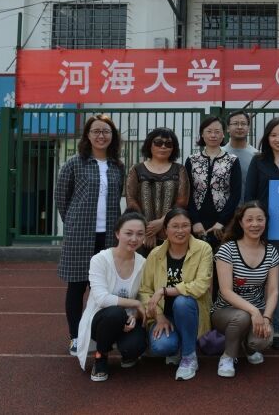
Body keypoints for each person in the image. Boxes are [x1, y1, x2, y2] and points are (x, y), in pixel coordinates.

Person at [56, 114, 125, 356]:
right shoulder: (75, 163)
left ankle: (99, 335)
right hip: (80, 234)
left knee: (104, 288)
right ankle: (76, 336)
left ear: (112, 136)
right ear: (87, 135)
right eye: (96, 131)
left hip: (109, 236)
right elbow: (62, 197)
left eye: (106, 131)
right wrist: (73, 222)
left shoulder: (117, 166)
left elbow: (117, 196)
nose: (101, 136)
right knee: (77, 287)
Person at [140, 207, 213, 381]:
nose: (180, 230)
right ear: (165, 230)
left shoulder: (203, 249)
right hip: (165, 315)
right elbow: (145, 290)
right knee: (162, 347)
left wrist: (165, 290)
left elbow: (201, 286)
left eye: (185, 225)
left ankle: (189, 356)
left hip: (191, 312)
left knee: (182, 302)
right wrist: (159, 317)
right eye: (175, 226)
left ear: (191, 227)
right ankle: (180, 343)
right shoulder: (155, 254)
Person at [244, 117, 279, 349]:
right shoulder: (258, 161)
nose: (278, 139)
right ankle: (254, 324)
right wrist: (252, 226)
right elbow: (249, 196)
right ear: (267, 138)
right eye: (273, 135)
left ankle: (275, 329)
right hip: (258, 229)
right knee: (257, 277)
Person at [75, 211, 148, 381]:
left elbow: (144, 296)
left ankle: (127, 352)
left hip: (128, 319)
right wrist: (135, 304)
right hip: (102, 320)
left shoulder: (144, 263)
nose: (134, 239)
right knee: (115, 313)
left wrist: (135, 315)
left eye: (140, 234)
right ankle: (101, 356)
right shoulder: (99, 260)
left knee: (135, 347)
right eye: (128, 233)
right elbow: (102, 299)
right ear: (117, 234)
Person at [212, 202, 279, 378]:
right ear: (241, 223)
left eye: (260, 219)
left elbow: (273, 291)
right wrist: (253, 311)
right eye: (249, 220)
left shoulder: (271, 251)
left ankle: (248, 348)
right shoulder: (227, 249)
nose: (255, 224)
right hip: (225, 311)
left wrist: (266, 317)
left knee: (262, 341)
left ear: (266, 222)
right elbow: (226, 291)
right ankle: (228, 356)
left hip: (257, 311)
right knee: (241, 317)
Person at [125, 127, 189, 255]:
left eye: (168, 144)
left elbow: (182, 202)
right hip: (141, 235)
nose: (163, 146)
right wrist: (148, 230)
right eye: (158, 142)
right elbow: (131, 201)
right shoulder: (136, 169)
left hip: (172, 233)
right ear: (150, 145)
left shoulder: (180, 170)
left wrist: (162, 222)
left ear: (173, 148)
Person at [185, 115, 242, 251]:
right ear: (202, 134)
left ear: (223, 134)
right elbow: (187, 193)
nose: (213, 135)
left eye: (217, 131)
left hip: (223, 221)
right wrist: (195, 221)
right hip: (197, 221)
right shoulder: (192, 160)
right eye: (209, 131)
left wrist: (221, 222)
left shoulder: (232, 160)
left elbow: (235, 194)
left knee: (222, 256)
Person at [222, 110, 259, 204]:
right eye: (235, 123)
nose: (239, 127)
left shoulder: (257, 155)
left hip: (248, 208)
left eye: (243, 124)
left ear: (249, 128)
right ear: (228, 128)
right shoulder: (220, 153)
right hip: (223, 209)